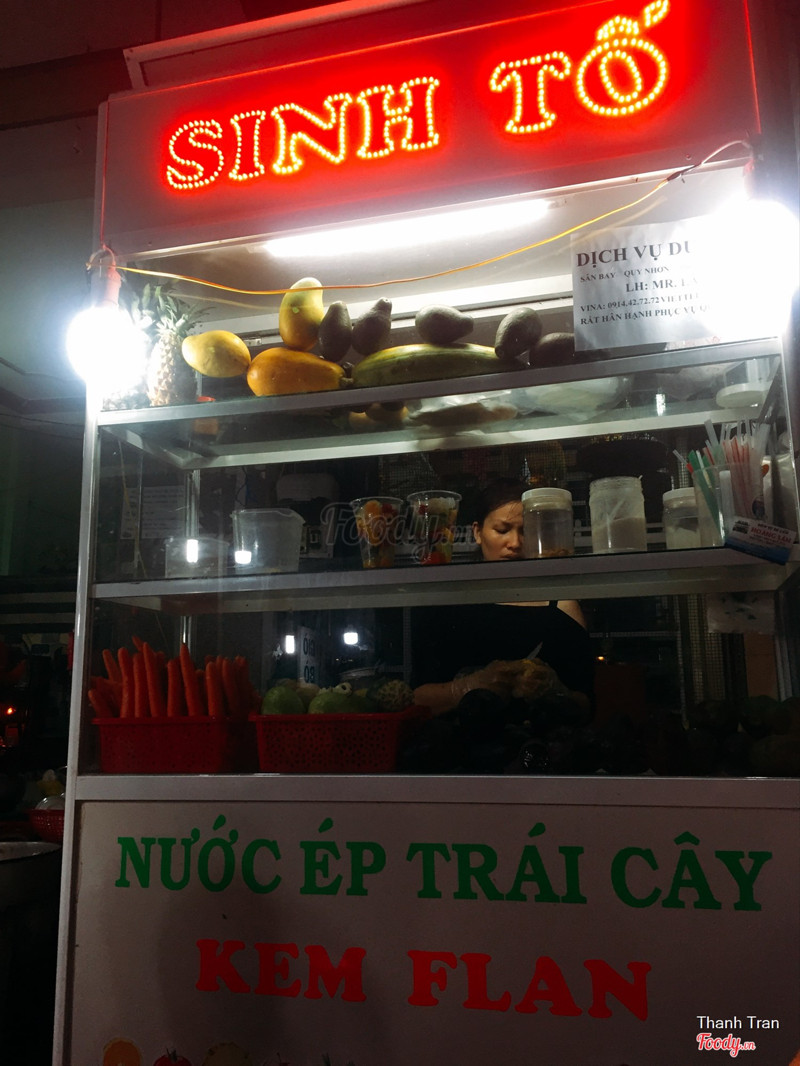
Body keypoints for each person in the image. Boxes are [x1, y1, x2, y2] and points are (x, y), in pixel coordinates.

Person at [411, 478, 594, 716]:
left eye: (526, 531)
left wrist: (557, 693)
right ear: (478, 532)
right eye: (502, 530)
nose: (514, 543)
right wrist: (466, 687)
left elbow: (586, 703)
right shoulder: (447, 604)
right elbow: (416, 697)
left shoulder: (561, 604)